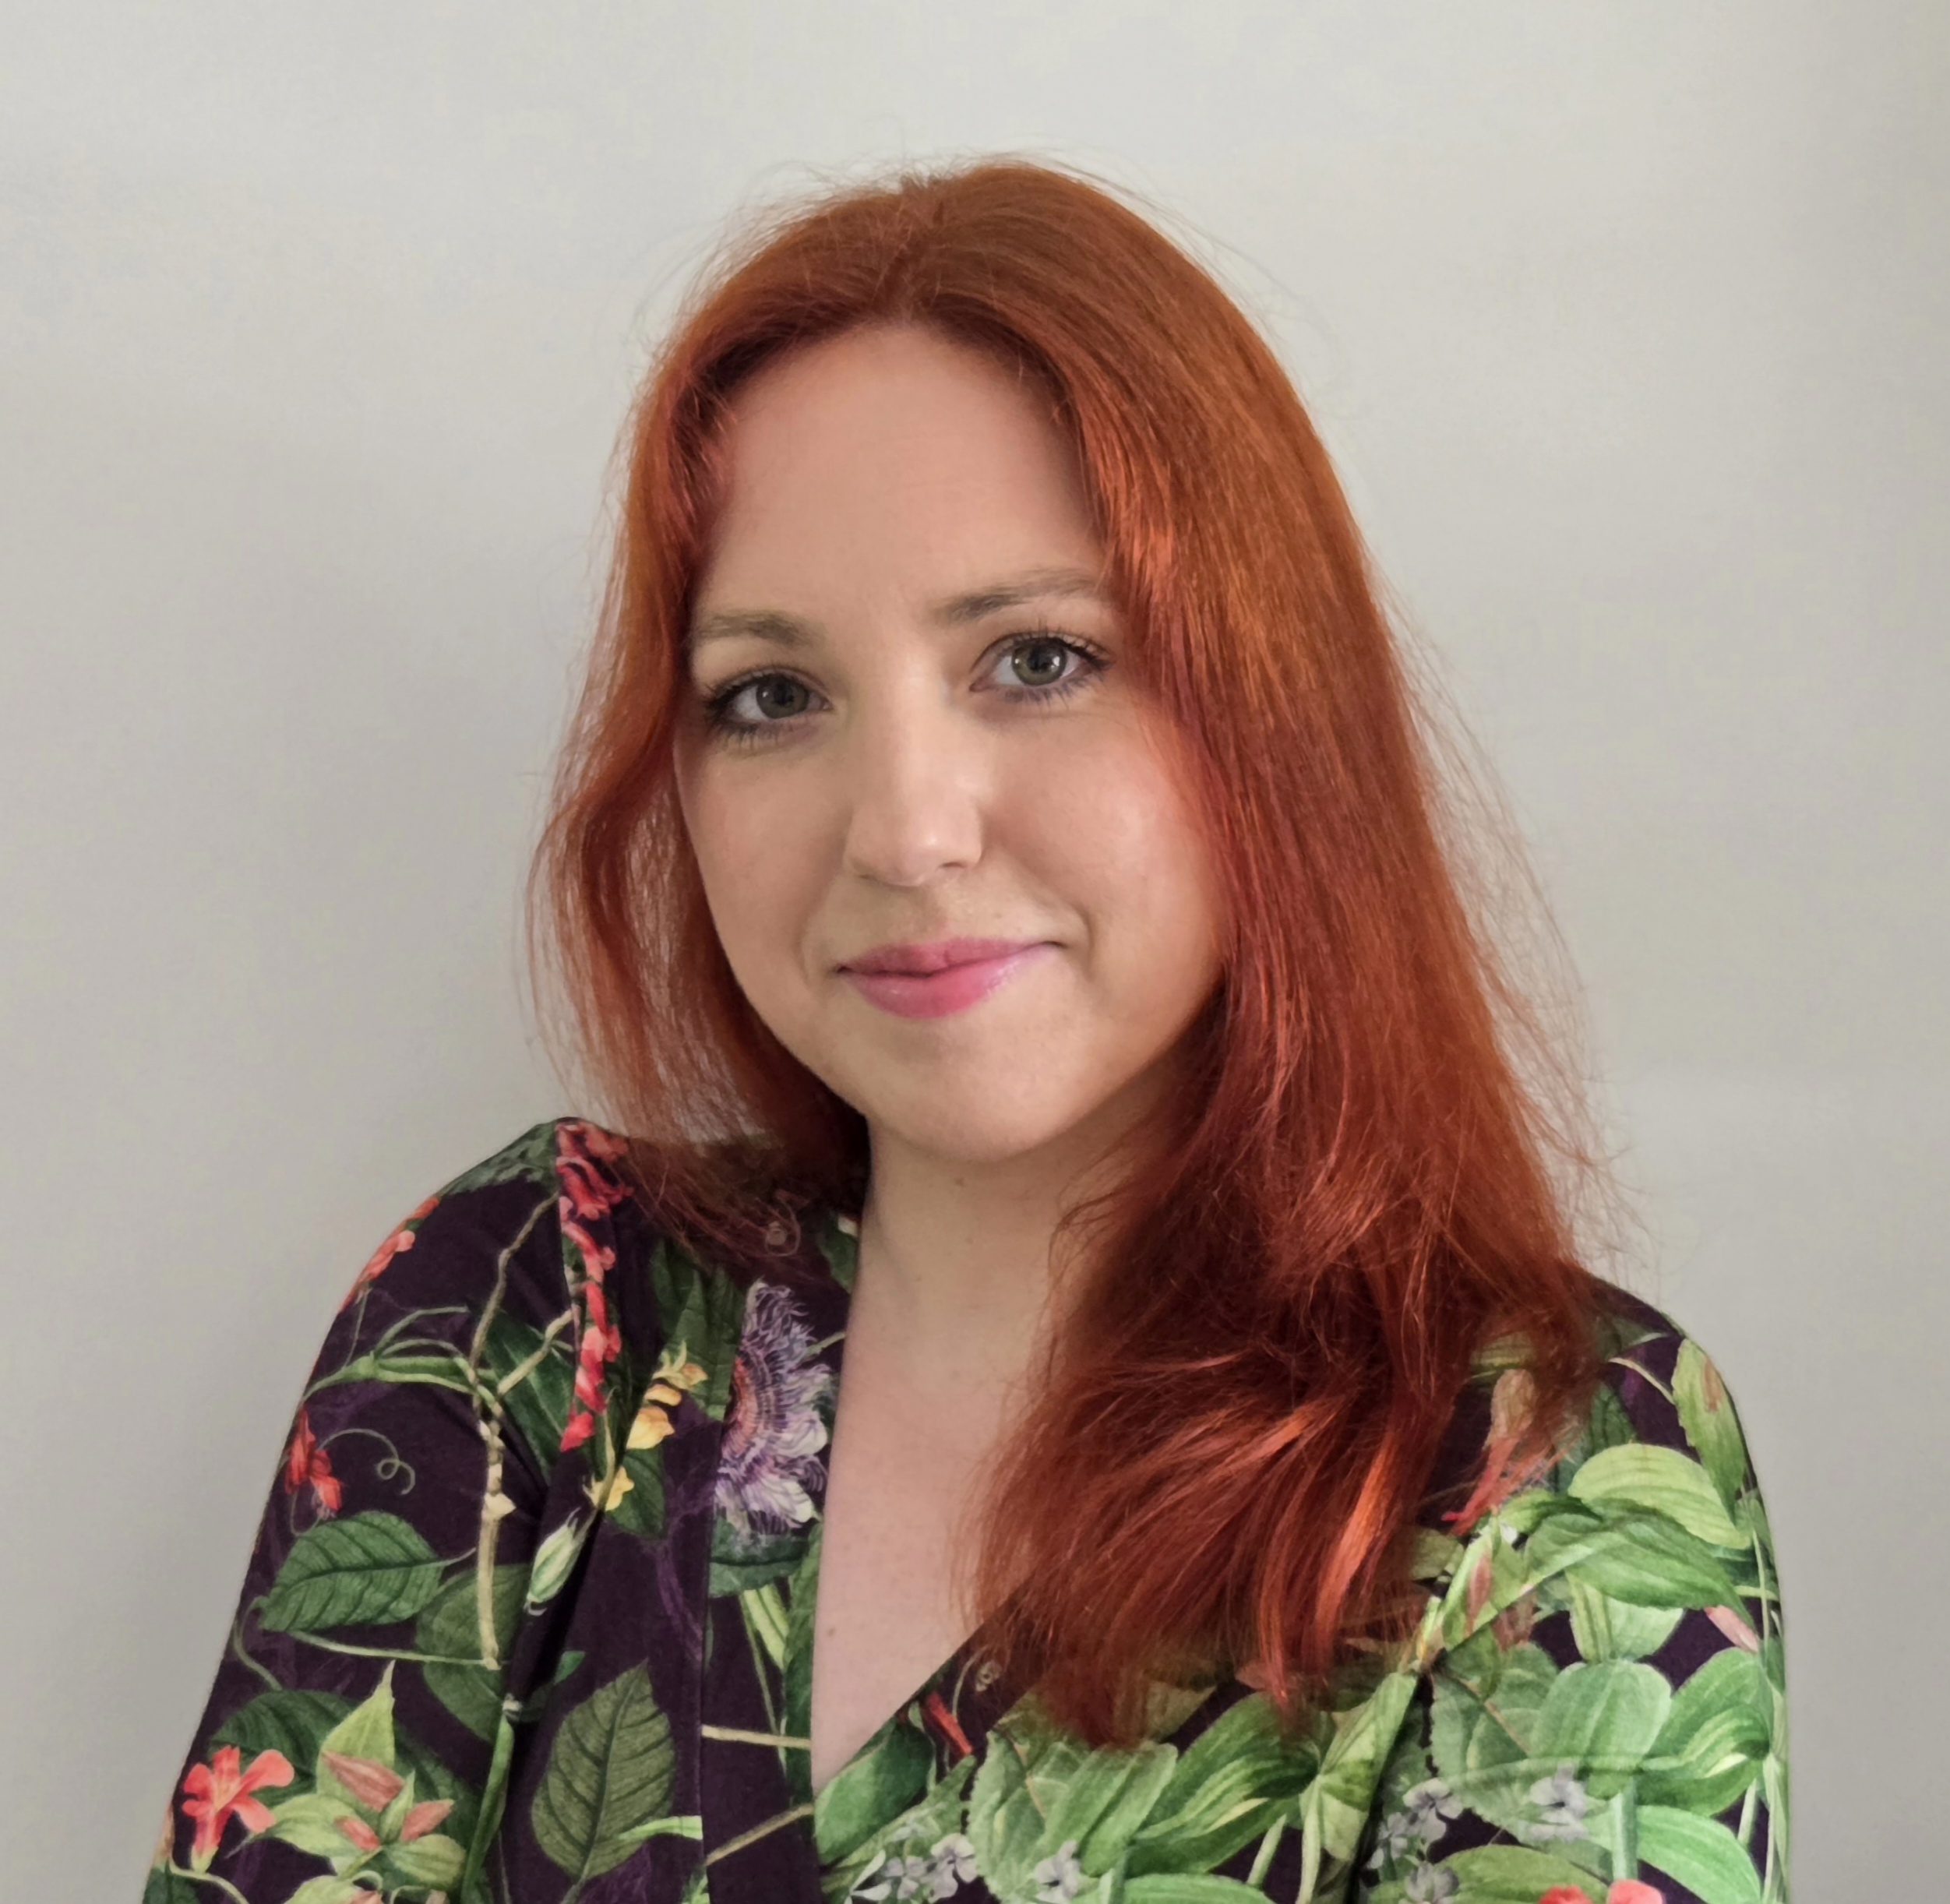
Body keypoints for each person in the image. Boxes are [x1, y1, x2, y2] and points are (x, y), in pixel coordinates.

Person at [151, 160, 1788, 1904]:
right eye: (772, 695)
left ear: (1273, 713)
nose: (905, 831)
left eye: (1038, 660)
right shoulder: (539, 1313)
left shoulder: (1559, 1471)